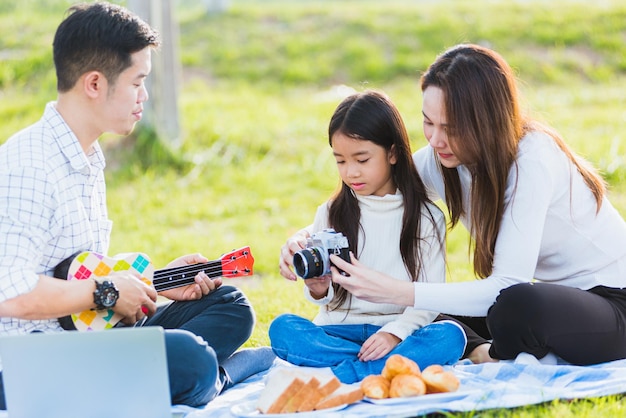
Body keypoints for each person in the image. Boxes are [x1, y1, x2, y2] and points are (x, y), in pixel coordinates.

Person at [0, 2, 273, 410]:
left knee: (229, 305)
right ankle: (222, 374)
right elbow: (10, 292)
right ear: (94, 84)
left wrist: (157, 282)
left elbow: (77, 272)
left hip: (87, 337)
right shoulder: (28, 167)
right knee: (191, 357)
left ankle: (181, 375)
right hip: (31, 364)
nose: (144, 96)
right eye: (137, 82)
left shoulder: (86, 157)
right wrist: (110, 292)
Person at [281, 43, 626, 367]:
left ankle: (489, 353)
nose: (435, 140)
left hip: (612, 301)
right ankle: (478, 347)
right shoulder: (442, 159)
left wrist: (398, 291)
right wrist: (304, 238)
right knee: (433, 307)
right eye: (428, 123)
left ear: (486, 122)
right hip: (556, 297)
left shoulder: (531, 160)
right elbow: (377, 185)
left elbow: (507, 284)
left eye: (451, 128)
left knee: (514, 305)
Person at [271, 90, 466, 384]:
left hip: (397, 331)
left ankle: (349, 373)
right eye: (340, 161)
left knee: (451, 336)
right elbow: (326, 300)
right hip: (338, 331)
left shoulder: (427, 218)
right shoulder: (330, 212)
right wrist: (317, 288)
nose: (351, 172)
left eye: (362, 159)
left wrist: (393, 333)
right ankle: (383, 371)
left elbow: (429, 298)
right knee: (283, 330)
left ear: (392, 152)